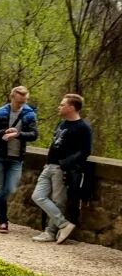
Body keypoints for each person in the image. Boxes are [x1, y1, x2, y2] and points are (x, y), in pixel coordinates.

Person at [31, 94, 93, 244]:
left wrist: (66, 163)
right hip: (49, 166)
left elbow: (85, 151)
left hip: (62, 169)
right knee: (38, 196)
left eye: (62, 105)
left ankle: (51, 232)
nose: (59, 107)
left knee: (58, 201)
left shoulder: (83, 127)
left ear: (71, 107)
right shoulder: (62, 124)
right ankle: (63, 224)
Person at [0, 85, 38, 234]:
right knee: (0, 189)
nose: (21, 105)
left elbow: (34, 135)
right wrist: (4, 132)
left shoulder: (29, 114)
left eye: (23, 102)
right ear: (12, 98)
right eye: (18, 102)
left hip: (17, 157)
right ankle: (3, 222)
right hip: (0, 156)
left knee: (10, 188)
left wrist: (18, 134)